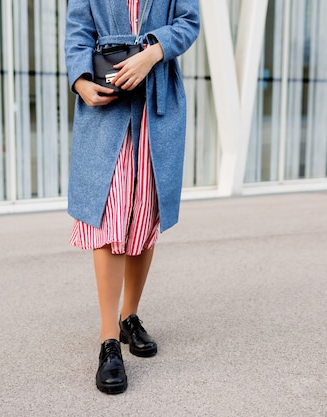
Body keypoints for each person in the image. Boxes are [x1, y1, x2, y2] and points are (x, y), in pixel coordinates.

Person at [65, 0, 200, 395]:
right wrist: (80, 81)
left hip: (156, 106)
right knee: (109, 214)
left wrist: (152, 52)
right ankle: (109, 341)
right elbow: (77, 31)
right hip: (107, 106)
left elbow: (189, 22)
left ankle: (130, 318)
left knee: (143, 215)